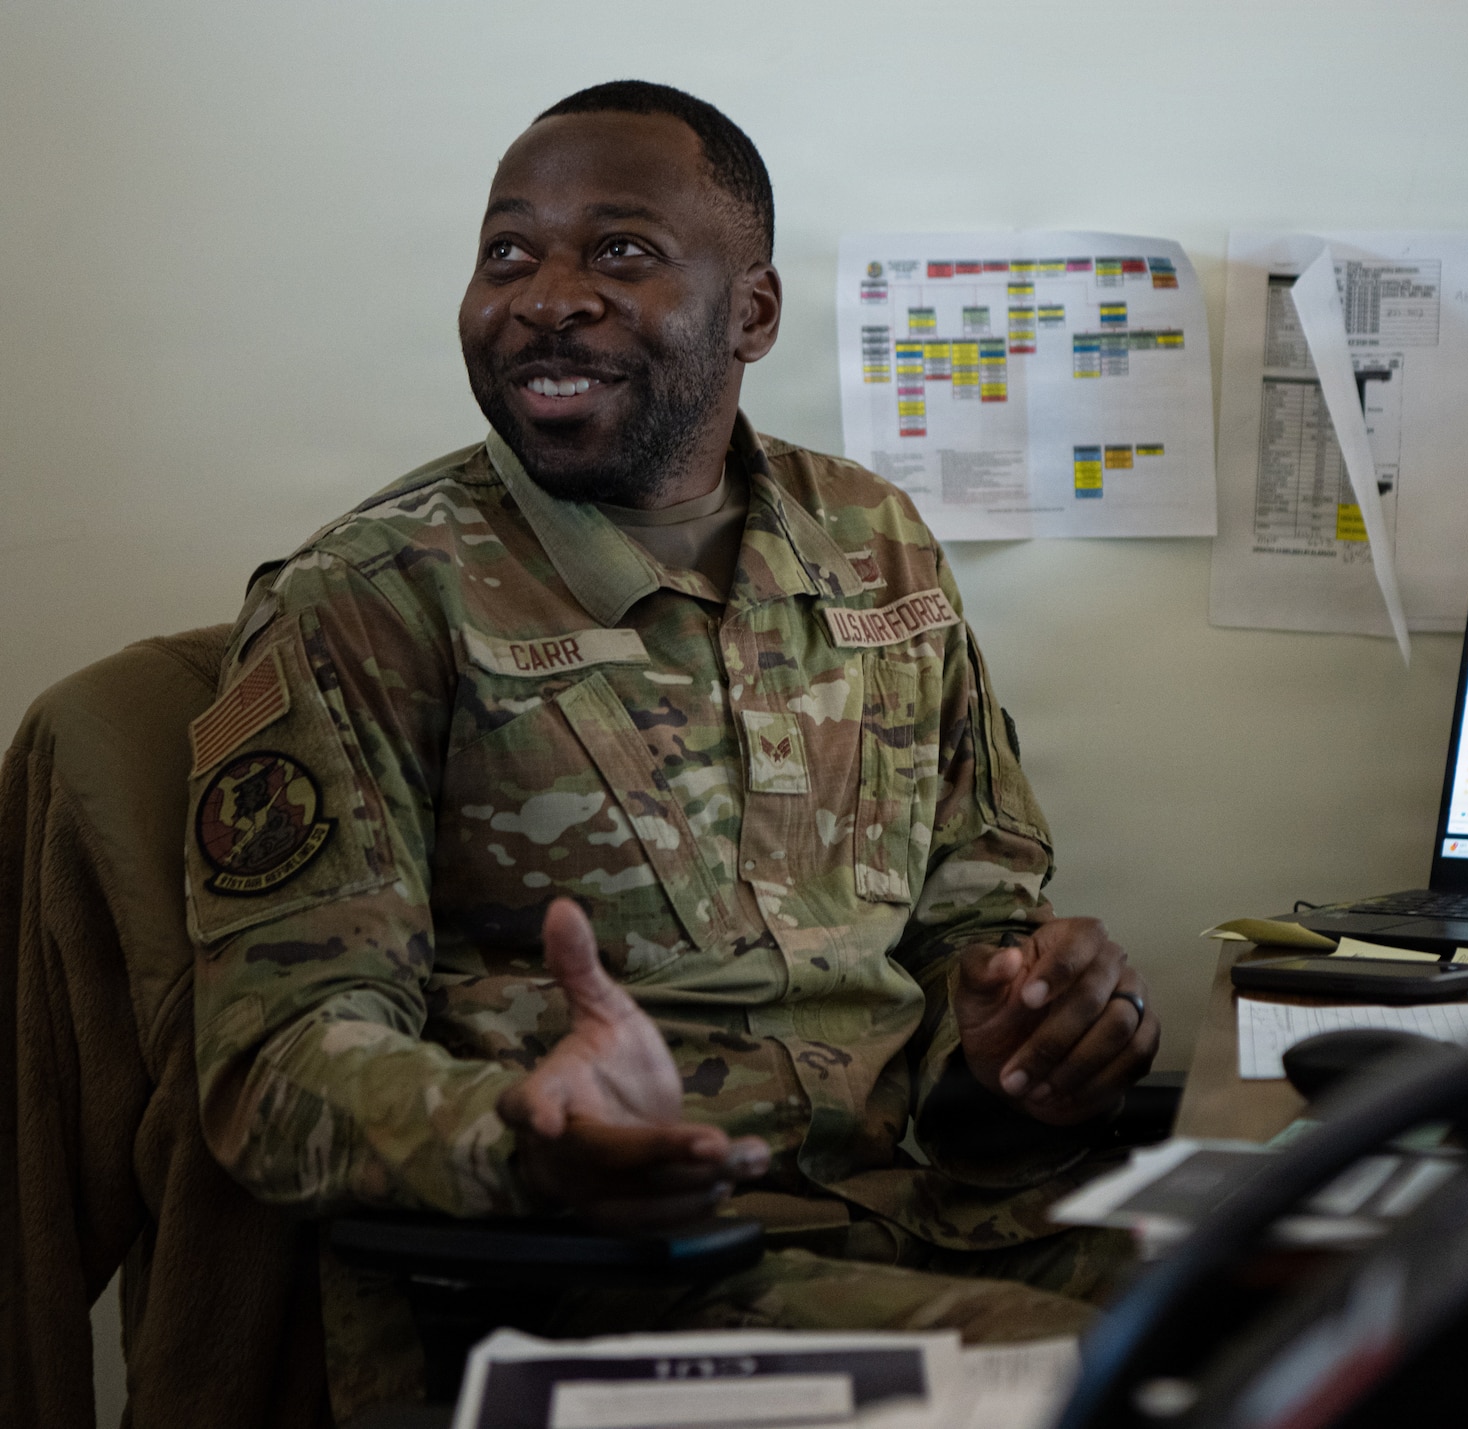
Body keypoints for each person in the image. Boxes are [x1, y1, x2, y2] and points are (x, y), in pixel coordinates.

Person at [185, 80, 1159, 1416]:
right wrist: (529, 1137)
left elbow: (974, 911)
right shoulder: (373, 596)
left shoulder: (870, 540)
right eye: (507, 253)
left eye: (620, 252)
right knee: (1065, 1381)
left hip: (936, 1206)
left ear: (749, 312)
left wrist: (1020, 1037)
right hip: (611, 1273)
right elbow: (276, 1058)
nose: (547, 295)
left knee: (1339, 1297)